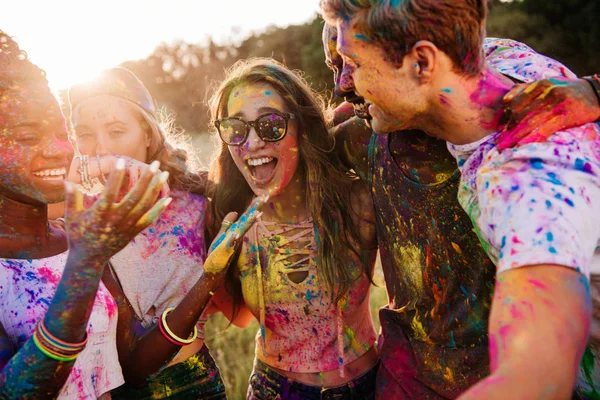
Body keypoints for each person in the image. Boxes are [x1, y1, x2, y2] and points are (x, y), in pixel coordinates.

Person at [321, 0, 600, 398]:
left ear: (421, 62)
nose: (342, 84)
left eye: (354, 63)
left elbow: (534, 379)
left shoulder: (528, 184)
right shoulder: (502, 60)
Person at [66, 67, 262, 399]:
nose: (100, 148)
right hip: (115, 389)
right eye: (84, 134)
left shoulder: (197, 204)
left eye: (116, 131)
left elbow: (240, 316)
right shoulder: (78, 217)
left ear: (147, 134)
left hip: (194, 381)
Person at [0, 30, 170, 398]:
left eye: (63, 134)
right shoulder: (80, 251)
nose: (59, 150)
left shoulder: (72, 238)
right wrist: (85, 264)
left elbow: (125, 364)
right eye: (29, 137)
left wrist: (207, 279)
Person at [207, 58, 379, 399]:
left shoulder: (357, 203)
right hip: (277, 391)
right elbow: (240, 318)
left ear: (301, 126)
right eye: (236, 128)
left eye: (270, 125)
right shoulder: (231, 222)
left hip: (371, 386)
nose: (252, 143)